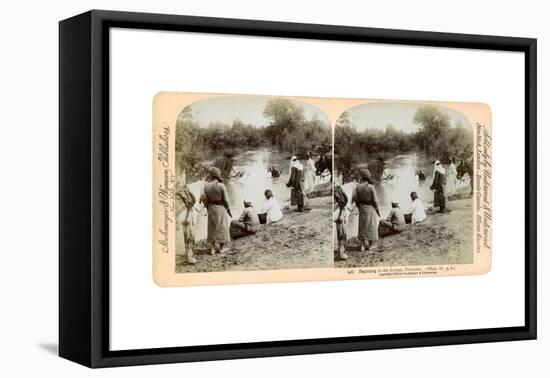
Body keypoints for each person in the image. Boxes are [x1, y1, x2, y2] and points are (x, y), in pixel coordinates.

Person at [200, 166, 232, 255]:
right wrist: (229, 210)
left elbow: (204, 199)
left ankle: (212, 249)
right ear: (218, 175)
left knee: (212, 228)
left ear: (211, 175)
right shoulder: (221, 186)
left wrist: (207, 207)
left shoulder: (206, 186)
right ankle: (221, 248)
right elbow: (226, 200)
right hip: (221, 208)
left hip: (211, 208)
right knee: (222, 227)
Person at [352, 168, 380, 251]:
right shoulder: (371, 187)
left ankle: (363, 245)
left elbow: (355, 198)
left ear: (362, 177)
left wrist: (358, 206)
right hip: (370, 208)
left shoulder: (357, 187)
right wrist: (377, 209)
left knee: (362, 226)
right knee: (371, 226)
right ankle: (371, 245)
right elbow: (375, 200)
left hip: (362, 208)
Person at [333, 185, 349, 260]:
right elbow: (345, 200)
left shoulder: (336, 196)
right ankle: (341, 253)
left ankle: (340, 252)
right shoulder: (339, 194)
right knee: (342, 234)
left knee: (341, 234)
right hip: (340, 216)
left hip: (339, 216)